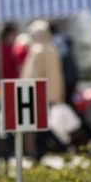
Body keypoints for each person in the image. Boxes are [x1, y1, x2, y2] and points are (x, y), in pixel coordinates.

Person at [21, 20, 66, 158]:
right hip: (51, 94)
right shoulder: (53, 49)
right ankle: (54, 149)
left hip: (37, 95)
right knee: (43, 125)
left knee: (39, 128)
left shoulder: (37, 50)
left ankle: (55, 148)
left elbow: (32, 76)